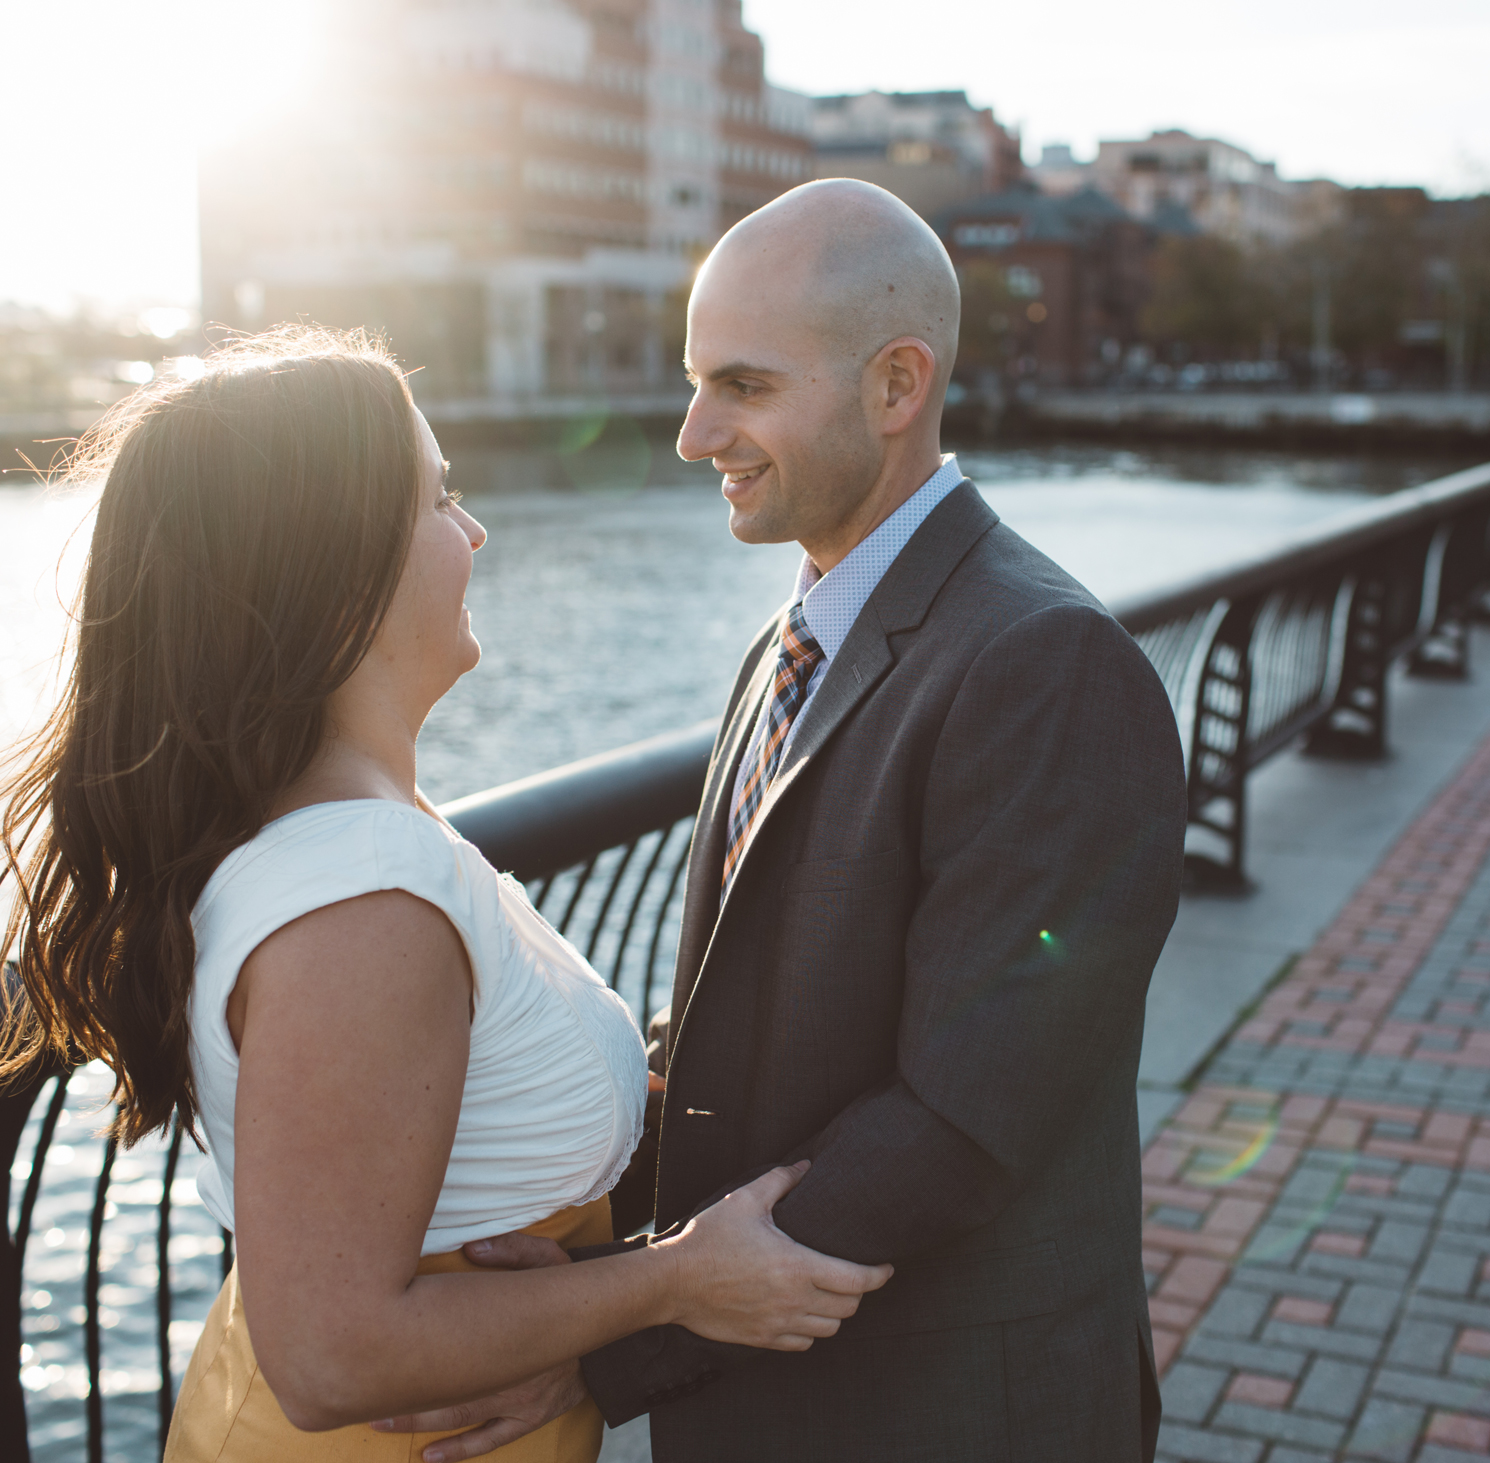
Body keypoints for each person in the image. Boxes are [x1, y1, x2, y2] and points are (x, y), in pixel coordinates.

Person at [0, 328, 890, 1463]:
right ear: (335, 564)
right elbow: (334, 1351)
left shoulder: (359, 839)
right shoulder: (363, 902)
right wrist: (679, 1277)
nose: (475, 531)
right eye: (441, 498)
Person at [385, 181, 1188, 1460]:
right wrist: (593, 1251)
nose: (695, 432)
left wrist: (601, 1342)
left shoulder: (1048, 661)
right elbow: (749, 1025)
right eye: (697, 381)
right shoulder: (792, 632)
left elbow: (963, 1112)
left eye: (744, 387)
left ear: (896, 385)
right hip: (778, 1387)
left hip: (942, 1409)